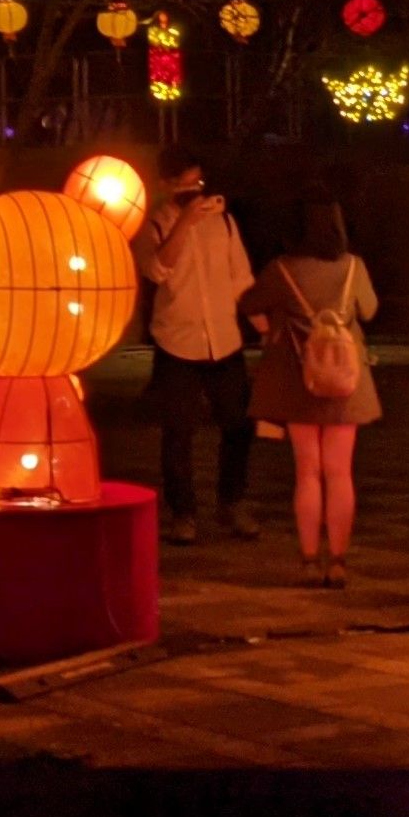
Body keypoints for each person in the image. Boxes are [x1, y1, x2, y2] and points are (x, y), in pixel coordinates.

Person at [247, 198, 379, 584]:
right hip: (345, 381)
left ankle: (308, 560)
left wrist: (272, 327)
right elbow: (368, 310)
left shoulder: (282, 269)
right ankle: (337, 561)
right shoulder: (354, 266)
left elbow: (249, 303)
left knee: (307, 472)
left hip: (297, 380)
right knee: (340, 472)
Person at [138, 161, 259, 542]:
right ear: (167, 184)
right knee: (178, 432)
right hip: (177, 339)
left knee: (239, 424)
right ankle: (183, 513)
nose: (195, 191)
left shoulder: (224, 222)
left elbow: (241, 279)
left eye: (199, 183)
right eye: (185, 183)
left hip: (223, 339)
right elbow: (157, 270)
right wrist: (185, 222)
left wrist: (264, 326)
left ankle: (232, 502)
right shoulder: (155, 224)